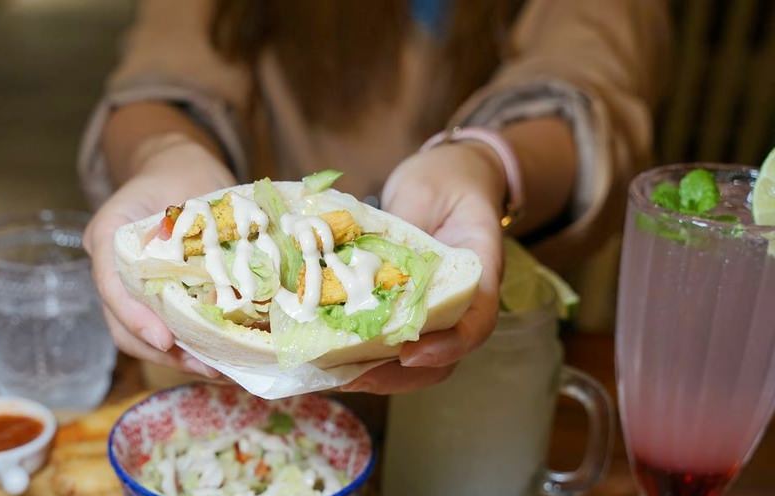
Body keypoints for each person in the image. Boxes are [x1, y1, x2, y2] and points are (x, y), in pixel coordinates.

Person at [79, 0, 669, 394]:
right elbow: (160, 73)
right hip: (225, 372)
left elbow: (591, 79)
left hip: (478, 382)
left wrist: (487, 163)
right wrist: (166, 154)